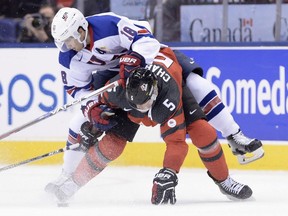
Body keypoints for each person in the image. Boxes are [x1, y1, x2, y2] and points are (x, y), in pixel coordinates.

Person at [45, 6, 262, 201]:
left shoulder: (108, 25)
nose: (68, 46)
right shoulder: (72, 60)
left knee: (200, 100)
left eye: (70, 39)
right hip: (119, 79)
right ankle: (67, 177)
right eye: (63, 42)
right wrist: (93, 110)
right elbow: (78, 91)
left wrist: (135, 58)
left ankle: (234, 136)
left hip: (149, 60)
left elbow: (146, 39)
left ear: (81, 30)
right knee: (91, 126)